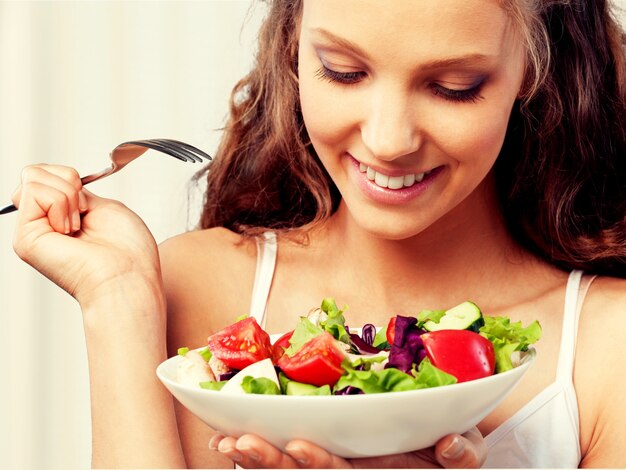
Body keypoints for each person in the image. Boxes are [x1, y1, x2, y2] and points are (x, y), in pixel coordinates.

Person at [8, 0, 626, 467]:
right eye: (344, 72)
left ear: (533, 71)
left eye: (454, 88)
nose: (388, 141)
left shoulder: (607, 343)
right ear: (293, 51)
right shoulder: (192, 285)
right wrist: (117, 302)